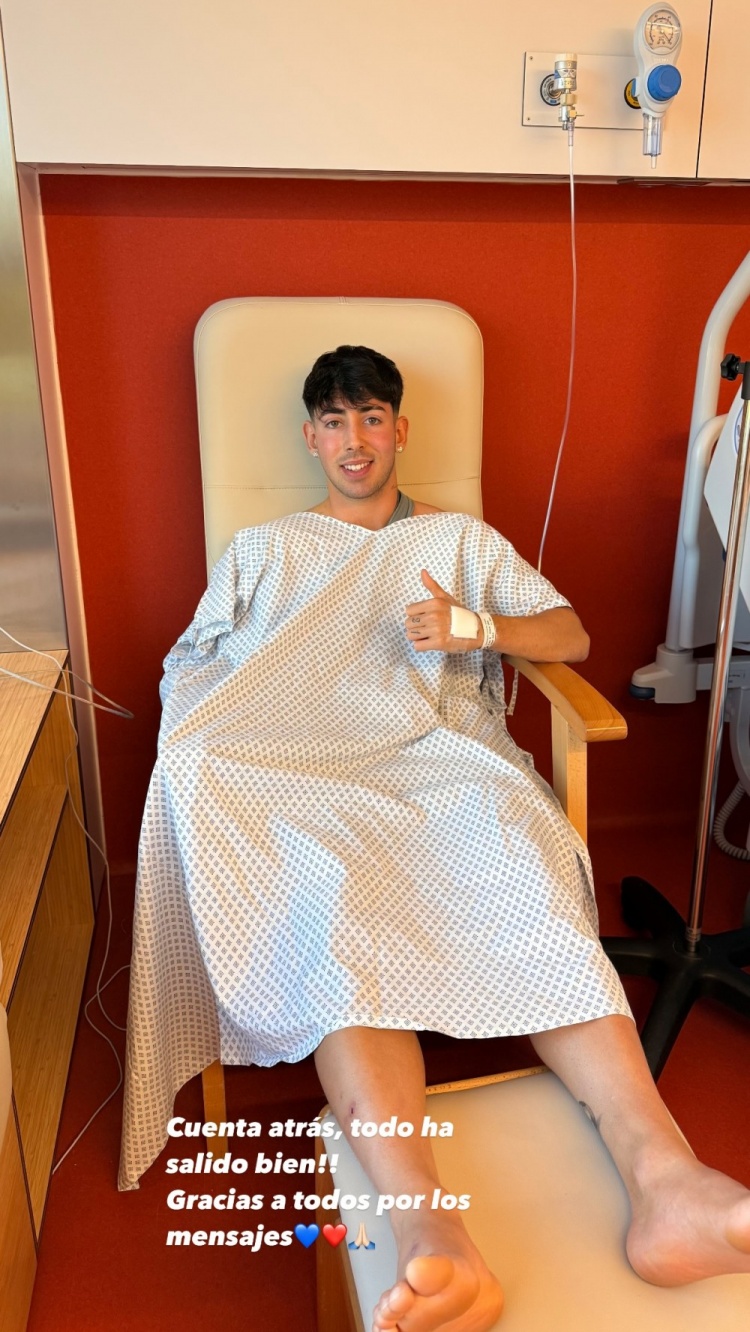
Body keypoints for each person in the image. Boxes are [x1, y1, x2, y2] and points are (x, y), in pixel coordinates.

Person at [120, 345, 750, 1332]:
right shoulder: (264, 550)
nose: (355, 440)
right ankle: (427, 1227)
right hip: (295, 770)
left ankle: (667, 1180)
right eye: (335, 420)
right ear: (311, 437)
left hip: (435, 757)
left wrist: (476, 628)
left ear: (400, 429)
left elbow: (571, 637)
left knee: (525, 868)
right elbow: (195, 670)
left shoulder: (457, 540)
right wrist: (224, 742)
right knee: (333, 912)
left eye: (372, 417)